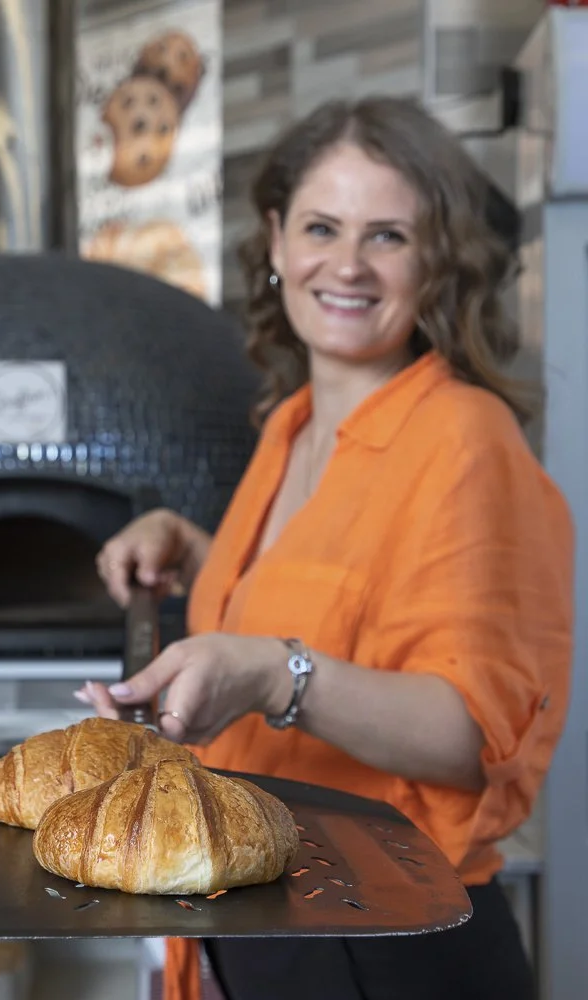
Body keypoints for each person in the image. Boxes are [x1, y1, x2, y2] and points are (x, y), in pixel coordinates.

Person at [76, 96, 574, 1000]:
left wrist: (274, 675)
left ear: (438, 261)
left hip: (390, 939)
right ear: (275, 239)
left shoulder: (464, 438)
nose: (346, 265)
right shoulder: (292, 427)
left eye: (388, 236)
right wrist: (196, 549)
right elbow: (336, 584)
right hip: (269, 921)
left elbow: (474, 735)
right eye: (321, 227)